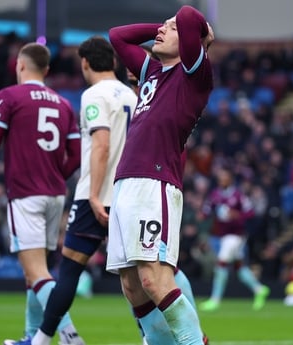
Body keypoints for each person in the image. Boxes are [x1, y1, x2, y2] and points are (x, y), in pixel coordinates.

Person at [10, 36, 136, 345]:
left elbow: (101, 146)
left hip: (98, 198)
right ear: (115, 63)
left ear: (84, 63)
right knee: (139, 279)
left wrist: (93, 195)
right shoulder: (133, 96)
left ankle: (42, 340)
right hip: (131, 196)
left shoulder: (94, 95)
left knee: (69, 270)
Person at [105, 5, 214, 345]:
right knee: (132, 287)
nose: (161, 31)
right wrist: (164, 28)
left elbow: (186, 13)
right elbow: (117, 37)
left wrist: (199, 32)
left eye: (172, 29)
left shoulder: (194, 75)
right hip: (125, 182)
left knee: (155, 280)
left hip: (155, 184)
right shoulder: (152, 71)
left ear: (190, 44)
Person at [0, 42, 82, 345]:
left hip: (25, 194)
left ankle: (70, 335)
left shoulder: (9, 96)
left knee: (37, 271)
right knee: (35, 272)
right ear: (46, 70)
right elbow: (76, 154)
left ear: (20, 65)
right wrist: (55, 174)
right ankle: (33, 336)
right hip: (55, 195)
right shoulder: (63, 103)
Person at [199, 166, 270, 312]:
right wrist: (203, 215)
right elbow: (207, 209)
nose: (222, 181)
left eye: (224, 178)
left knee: (221, 262)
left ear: (230, 179)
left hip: (236, 236)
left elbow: (250, 212)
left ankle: (215, 299)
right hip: (222, 235)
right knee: (239, 266)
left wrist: (237, 215)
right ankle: (259, 289)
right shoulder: (215, 194)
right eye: (220, 178)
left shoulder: (238, 195)